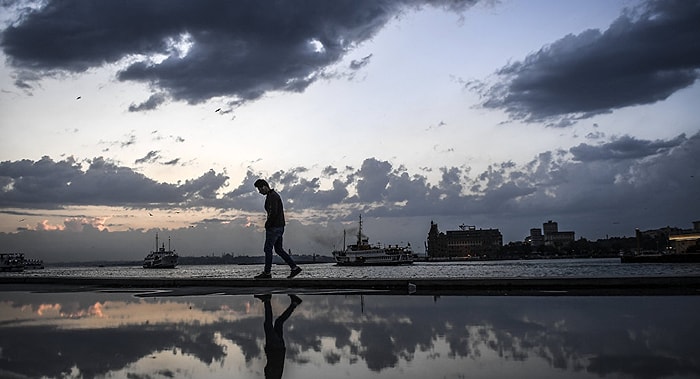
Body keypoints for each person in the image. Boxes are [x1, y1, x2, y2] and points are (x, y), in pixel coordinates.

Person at [253, 179, 302, 279]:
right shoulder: (273, 196)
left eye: (259, 189)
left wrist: (268, 224)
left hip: (274, 227)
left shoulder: (272, 197)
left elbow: (273, 213)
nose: (259, 191)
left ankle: (267, 273)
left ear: (264, 186)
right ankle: (294, 267)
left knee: (268, 249)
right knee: (279, 249)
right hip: (279, 226)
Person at [254, 294, 302, 379]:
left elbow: (273, 366)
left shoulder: (277, 376)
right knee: (268, 325)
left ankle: (294, 304)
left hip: (279, 348)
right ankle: (267, 300)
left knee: (278, 322)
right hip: (274, 347)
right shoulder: (274, 377)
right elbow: (272, 366)